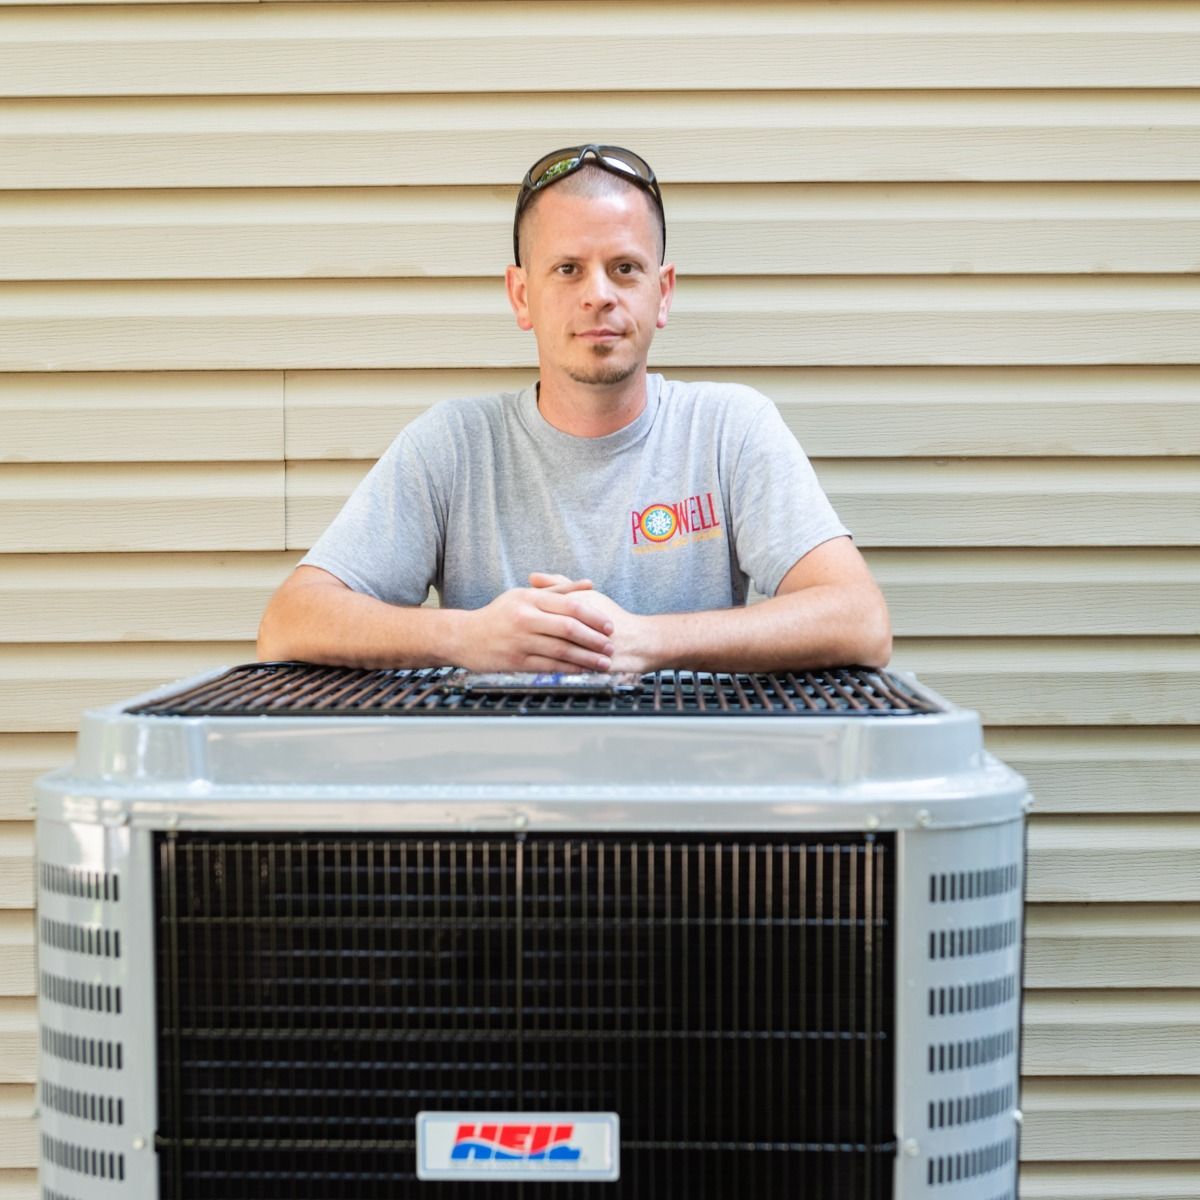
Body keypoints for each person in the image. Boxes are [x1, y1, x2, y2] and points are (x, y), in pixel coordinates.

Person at [257, 144, 891, 673]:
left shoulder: (729, 430)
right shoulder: (452, 446)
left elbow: (859, 618)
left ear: (662, 293)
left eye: (624, 268)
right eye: (567, 269)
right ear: (521, 294)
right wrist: (467, 638)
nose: (599, 296)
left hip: (690, 789)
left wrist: (646, 641)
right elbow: (290, 620)